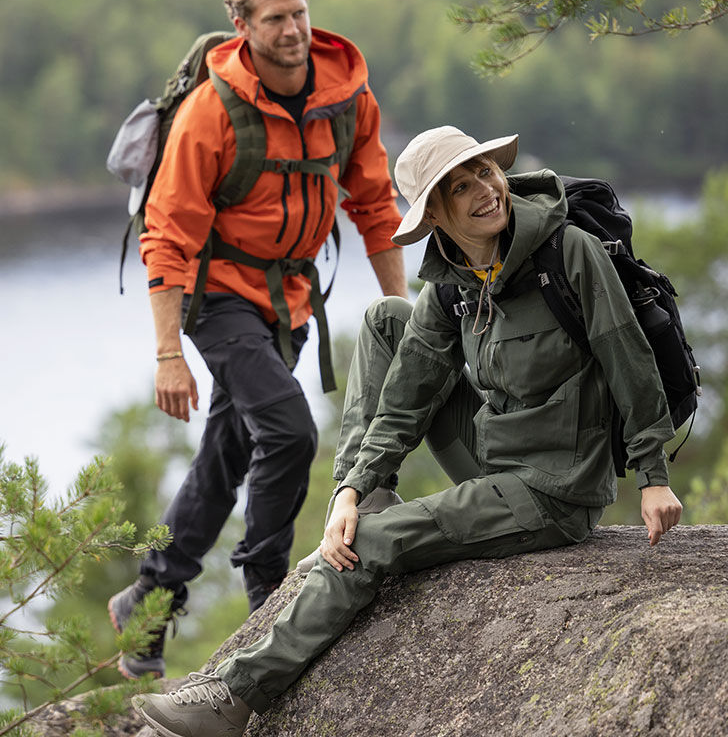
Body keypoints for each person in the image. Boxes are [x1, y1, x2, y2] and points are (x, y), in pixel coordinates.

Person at [128, 124, 683, 736]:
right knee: (389, 319)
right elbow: (404, 396)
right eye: (458, 187)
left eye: (485, 175)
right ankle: (366, 503)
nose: (485, 192)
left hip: (555, 489)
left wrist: (653, 477)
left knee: (368, 546)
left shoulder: (567, 252)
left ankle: (236, 697)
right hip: (495, 463)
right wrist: (352, 490)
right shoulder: (453, 281)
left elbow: (627, 357)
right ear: (436, 215)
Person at [107, 0, 408, 680]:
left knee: (230, 451)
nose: (292, 29)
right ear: (243, 26)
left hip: (292, 300)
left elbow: (374, 205)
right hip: (217, 300)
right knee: (291, 431)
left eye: (299, 12)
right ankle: (269, 589)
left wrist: (403, 308)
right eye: (274, 18)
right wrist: (168, 353)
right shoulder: (214, 109)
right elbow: (168, 233)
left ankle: (150, 597)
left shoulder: (348, 97)